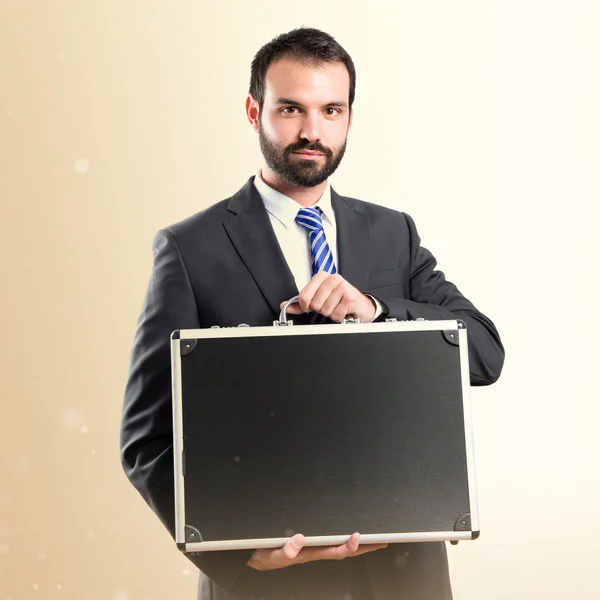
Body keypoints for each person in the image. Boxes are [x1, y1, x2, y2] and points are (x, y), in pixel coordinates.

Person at [120, 27, 504, 600]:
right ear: (255, 111)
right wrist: (243, 557)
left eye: (331, 109)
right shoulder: (189, 248)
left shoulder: (393, 235)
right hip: (268, 585)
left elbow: (483, 353)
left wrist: (374, 310)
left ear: (350, 116)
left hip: (400, 578)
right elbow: (145, 438)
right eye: (290, 109)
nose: (312, 131)